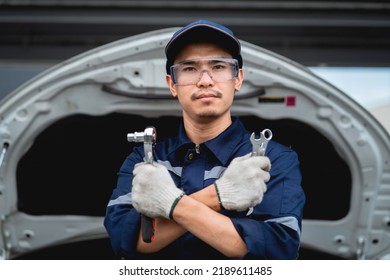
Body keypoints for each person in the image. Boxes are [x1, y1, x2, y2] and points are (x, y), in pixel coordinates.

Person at [104, 19, 305, 259]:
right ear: (172, 84)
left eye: (219, 67)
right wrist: (220, 197)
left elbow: (277, 250)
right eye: (189, 68)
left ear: (238, 79)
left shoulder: (274, 158)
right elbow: (127, 239)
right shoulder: (145, 158)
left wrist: (169, 206)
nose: (205, 80)